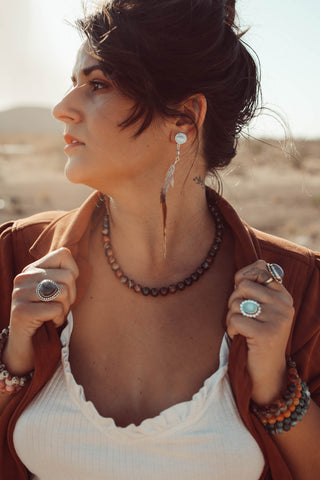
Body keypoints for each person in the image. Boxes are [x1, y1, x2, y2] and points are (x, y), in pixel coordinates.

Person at [0, 1, 319, 479]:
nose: (62, 109)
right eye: (73, 84)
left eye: (98, 84)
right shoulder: (15, 257)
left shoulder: (301, 288)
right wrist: (14, 358)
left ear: (185, 117)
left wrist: (275, 385)